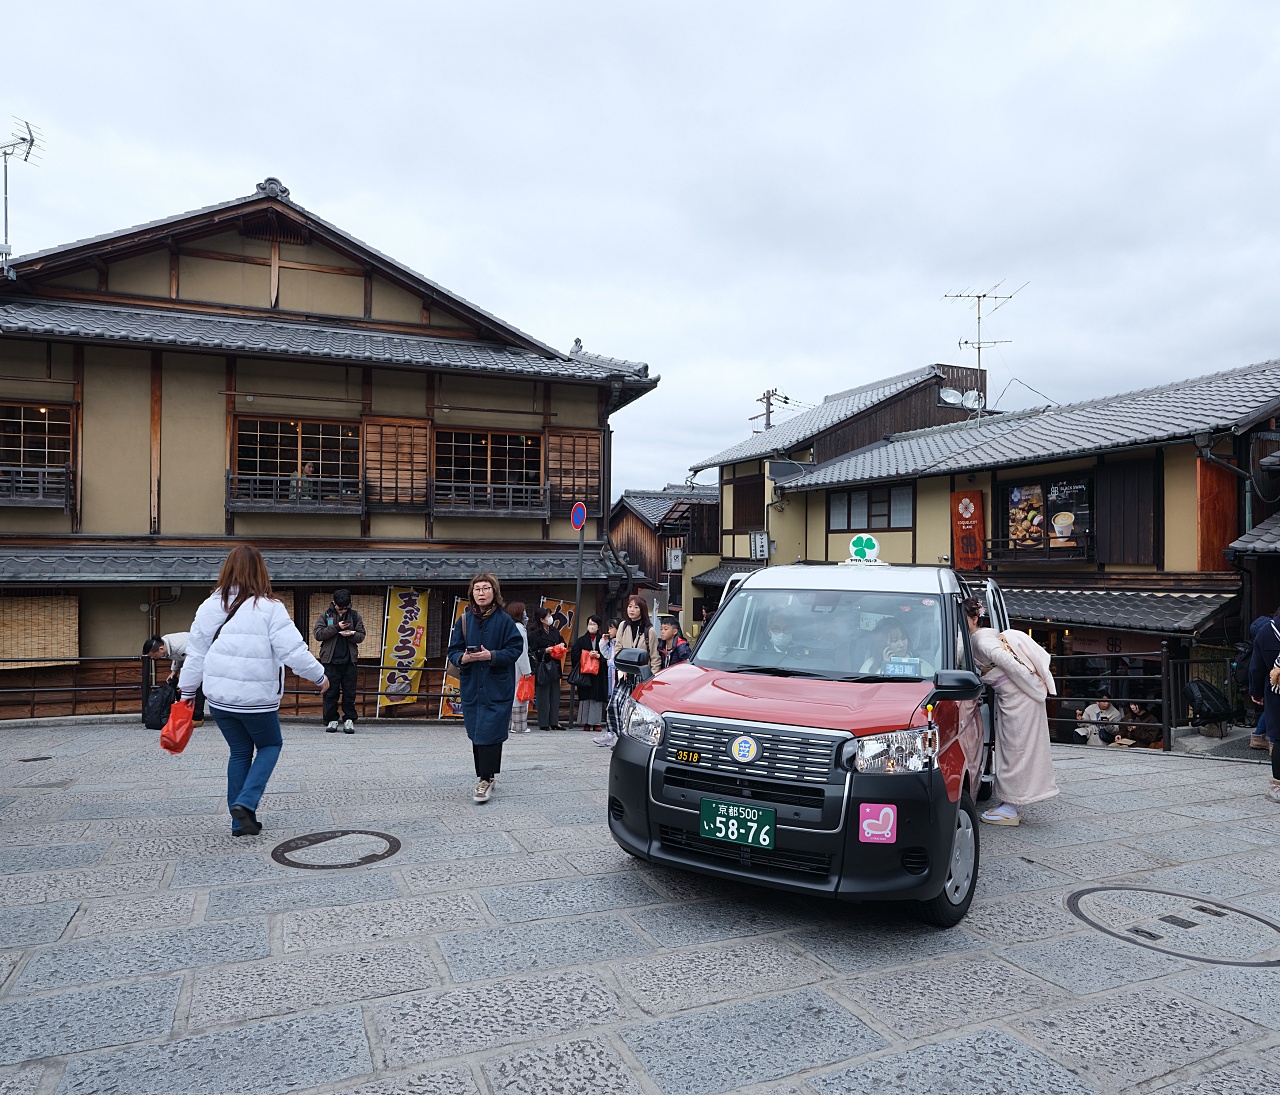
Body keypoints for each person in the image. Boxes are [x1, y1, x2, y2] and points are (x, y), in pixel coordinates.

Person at [178, 545, 327, 836]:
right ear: (261, 571)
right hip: (256, 701)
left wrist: (186, 694)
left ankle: (240, 823)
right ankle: (246, 803)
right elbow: (293, 652)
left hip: (219, 700)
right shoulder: (270, 608)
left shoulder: (209, 606)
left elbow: (195, 654)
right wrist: (320, 676)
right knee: (270, 746)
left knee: (239, 751)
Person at [964, 597, 1059, 826]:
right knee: (1014, 748)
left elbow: (1011, 663)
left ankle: (1011, 805)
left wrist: (1034, 688)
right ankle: (1011, 802)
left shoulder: (982, 642)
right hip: (1015, 697)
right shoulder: (982, 637)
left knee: (1016, 748)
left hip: (1019, 698)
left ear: (975, 617)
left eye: (965, 617)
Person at [447, 573, 524, 803]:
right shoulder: (464, 620)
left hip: (496, 684)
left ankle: (486, 778)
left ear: (494, 592)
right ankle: (485, 775)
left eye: (486, 588)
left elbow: (515, 649)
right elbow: (453, 650)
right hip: (472, 684)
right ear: (472, 593)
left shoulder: (504, 621)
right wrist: (463, 658)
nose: (481, 593)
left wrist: (491, 655)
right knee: (477, 731)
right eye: (477, 589)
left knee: (491, 731)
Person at [594, 596, 660, 747]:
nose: (632, 610)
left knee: (635, 709)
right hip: (624, 673)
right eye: (630, 606)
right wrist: (619, 667)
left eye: (636, 607)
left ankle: (628, 739)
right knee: (614, 704)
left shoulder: (650, 631)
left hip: (642, 675)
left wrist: (652, 679)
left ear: (642, 610)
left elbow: (655, 657)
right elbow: (618, 649)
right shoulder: (623, 626)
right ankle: (613, 734)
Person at [312, 589, 365, 733]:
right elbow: (318, 634)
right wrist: (336, 628)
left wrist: (351, 634)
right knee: (330, 693)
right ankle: (331, 719)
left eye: (345, 608)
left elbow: (361, 636)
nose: (342, 610)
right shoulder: (326, 615)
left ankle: (349, 720)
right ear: (334, 603)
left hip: (349, 661)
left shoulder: (354, 616)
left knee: (349, 692)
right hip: (330, 661)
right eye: (339, 608)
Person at [1250, 609, 1280, 804]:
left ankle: (1277, 787)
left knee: (1279, 738)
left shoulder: (1266, 630)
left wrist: (1256, 691)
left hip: (1276, 690)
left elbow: (1256, 666)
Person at [143, 632, 204, 726]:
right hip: (193, 659)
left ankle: (197, 718)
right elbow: (178, 657)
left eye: (154, 656)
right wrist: (174, 671)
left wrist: (184, 680)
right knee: (178, 684)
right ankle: (186, 714)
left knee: (196, 685)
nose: (154, 659)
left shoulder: (178, 645)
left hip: (203, 657)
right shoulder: (166, 643)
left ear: (161, 649)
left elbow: (191, 661)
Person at [571, 615, 610, 733]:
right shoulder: (581, 640)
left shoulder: (603, 640)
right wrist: (587, 655)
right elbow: (575, 655)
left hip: (598, 674)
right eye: (590, 623)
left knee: (596, 699)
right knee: (585, 697)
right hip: (585, 673)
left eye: (594, 624)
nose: (591, 626)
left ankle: (596, 722)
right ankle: (585, 722)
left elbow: (608, 655)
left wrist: (598, 656)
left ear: (598, 626)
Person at [860, 617, 936, 676]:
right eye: (894, 640)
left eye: (903, 638)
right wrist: (886, 666)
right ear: (882, 644)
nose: (901, 645)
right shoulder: (870, 665)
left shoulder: (921, 664)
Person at [529, 606, 564, 732]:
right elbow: (531, 652)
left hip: (555, 664)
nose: (550, 618)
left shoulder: (554, 631)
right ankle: (543, 722)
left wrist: (561, 645)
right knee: (543, 695)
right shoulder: (534, 634)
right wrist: (545, 650)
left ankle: (554, 721)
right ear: (542, 619)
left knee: (555, 695)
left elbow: (561, 641)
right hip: (542, 666)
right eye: (548, 616)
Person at [507, 600, 532, 734]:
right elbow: (522, 652)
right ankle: (518, 726)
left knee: (512, 694)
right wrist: (527, 670)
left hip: (510, 665)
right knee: (520, 695)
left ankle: (510, 724)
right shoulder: (519, 628)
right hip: (518, 666)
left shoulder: (509, 626)